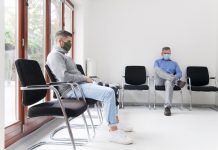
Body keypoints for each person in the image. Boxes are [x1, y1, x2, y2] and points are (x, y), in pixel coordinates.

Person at [46, 30, 133, 145]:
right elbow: (64, 77)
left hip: (78, 85)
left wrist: (85, 79)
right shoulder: (54, 56)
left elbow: (72, 74)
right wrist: (84, 78)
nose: (70, 44)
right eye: (68, 41)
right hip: (71, 89)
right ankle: (113, 132)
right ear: (59, 41)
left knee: (112, 89)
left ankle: (115, 121)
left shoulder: (63, 55)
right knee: (108, 93)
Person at [154, 47, 186, 116]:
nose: (167, 54)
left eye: (169, 53)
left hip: (168, 81)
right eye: (165, 53)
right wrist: (174, 78)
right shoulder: (157, 61)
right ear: (162, 53)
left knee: (168, 82)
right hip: (160, 80)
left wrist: (173, 77)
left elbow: (179, 73)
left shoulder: (174, 63)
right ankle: (177, 82)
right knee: (157, 69)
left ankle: (167, 107)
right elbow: (157, 71)